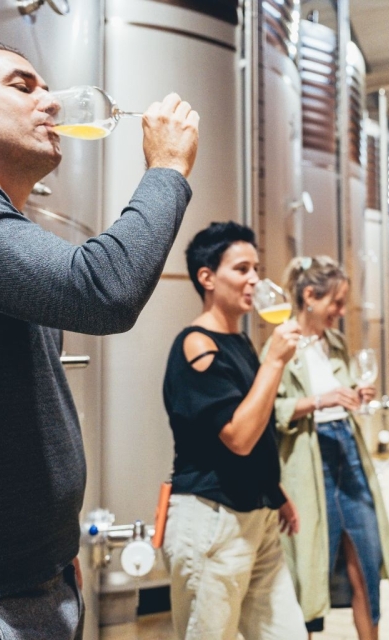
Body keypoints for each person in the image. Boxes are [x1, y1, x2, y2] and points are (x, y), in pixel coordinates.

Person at [0, 39, 198, 639]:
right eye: (24, 86)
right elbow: (103, 291)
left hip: (29, 578)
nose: (51, 102)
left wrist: (52, 550)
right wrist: (168, 170)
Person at [161, 222, 307, 640]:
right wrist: (275, 361)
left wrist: (274, 493)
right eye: (242, 269)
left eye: (257, 269)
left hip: (255, 517)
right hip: (212, 519)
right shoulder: (195, 345)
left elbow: (259, 425)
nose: (255, 280)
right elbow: (238, 437)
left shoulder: (240, 343)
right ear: (207, 277)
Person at [265, 256, 389, 640]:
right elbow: (270, 410)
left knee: (365, 563)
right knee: (308, 568)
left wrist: (358, 392)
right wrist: (319, 401)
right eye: (336, 303)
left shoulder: (336, 343)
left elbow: (346, 390)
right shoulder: (281, 344)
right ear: (310, 296)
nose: (341, 312)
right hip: (307, 461)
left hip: (347, 453)